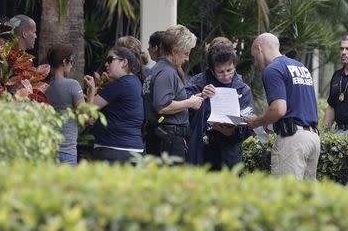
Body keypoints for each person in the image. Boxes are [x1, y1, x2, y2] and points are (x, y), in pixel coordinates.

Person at [246, 33, 320, 180]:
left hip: (293, 140)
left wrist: (257, 122)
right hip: (313, 138)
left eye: (254, 57)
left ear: (259, 48)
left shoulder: (272, 69)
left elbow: (279, 109)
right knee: (305, 198)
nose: (256, 62)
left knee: (285, 196)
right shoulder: (301, 67)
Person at [186, 42, 254, 170]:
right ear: (212, 70)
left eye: (229, 70)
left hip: (230, 154)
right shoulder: (198, 83)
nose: (226, 75)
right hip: (202, 151)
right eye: (220, 72)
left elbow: (249, 123)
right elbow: (183, 107)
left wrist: (233, 130)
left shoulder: (242, 89)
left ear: (234, 66)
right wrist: (201, 95)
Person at [143, 24, 203, 160]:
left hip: (161, 136)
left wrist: (191, 100)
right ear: (175, 51)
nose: (187, 58)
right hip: (168, 139)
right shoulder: (166, 72)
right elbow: (163, 106)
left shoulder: (157, 69)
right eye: (186, 53)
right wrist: (190, 103)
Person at [84, 46, 144, 164]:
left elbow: (86, 114)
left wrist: (91, 89)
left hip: (113, 150)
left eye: (110, 60)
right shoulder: (135, 81)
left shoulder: (120, 84)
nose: (106, 64)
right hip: (133, 150)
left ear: (124, 62)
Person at [45, 44, 84, 166]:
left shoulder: (44, 87)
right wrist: (92, 91)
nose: (71, 66)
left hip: (48, 150)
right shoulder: (73, 85)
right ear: (64, 62)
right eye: (71, 62)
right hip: (67, 151)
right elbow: (86, 117)